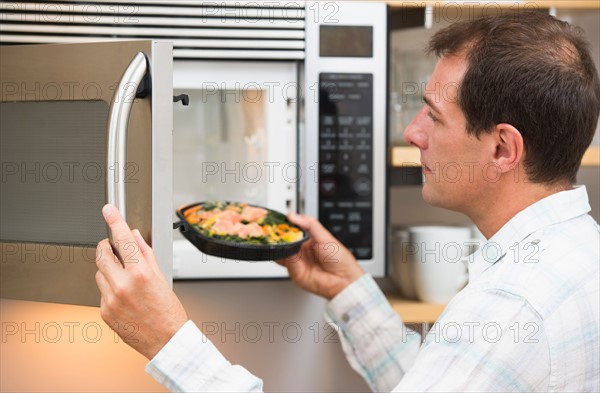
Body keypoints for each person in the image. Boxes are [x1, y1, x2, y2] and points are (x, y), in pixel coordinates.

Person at [95, 11, 600, 392]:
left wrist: (169, 340)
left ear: (501, 148)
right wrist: (350, 291)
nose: (411, 132)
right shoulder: (576, 251)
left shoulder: (512, 308)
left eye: (434, 117)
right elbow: (440, 378)